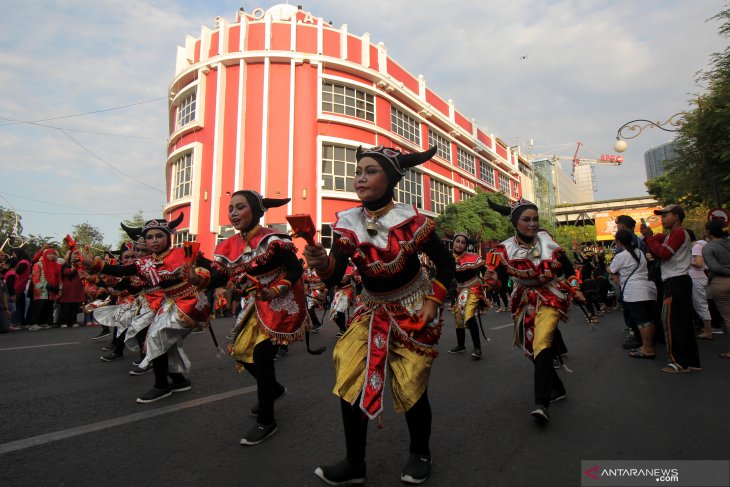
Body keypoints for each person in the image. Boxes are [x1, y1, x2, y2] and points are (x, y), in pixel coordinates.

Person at [304, 145, 454, 485]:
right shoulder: (346, 222)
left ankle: (420, 453)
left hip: (414, 305)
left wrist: (434, 300)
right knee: (350, 376)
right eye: (359, 171)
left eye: (370, 171)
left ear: (391, 179)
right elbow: (332, 275)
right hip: (371, 307)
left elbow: (446, 265)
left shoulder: (413, 220)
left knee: (412, 383)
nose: (360, 177)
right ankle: (355, 464)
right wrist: (320, 261)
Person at [81, 213, 213, 402]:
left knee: (155, 337)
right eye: (149, 237)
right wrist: (93, 264)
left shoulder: (183, 253)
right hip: (167, 304)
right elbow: (121, 271)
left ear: (168, 237)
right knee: (160, 341)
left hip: (188, 302)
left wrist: (203, 277)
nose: (154, 241)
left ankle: (161, 386)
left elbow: (215, 269)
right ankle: (179, 380)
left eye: (159, 236)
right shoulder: (144, 263)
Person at [213, 190, 309, 446]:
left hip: (280, 299)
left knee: (262, 356)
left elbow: (295, 268)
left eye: (240, 207)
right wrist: (197, 279)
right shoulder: (228, 245)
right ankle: (274, 389)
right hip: (254, 303)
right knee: (239, 351)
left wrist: (277, 289)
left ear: (256, 211)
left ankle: (267, 420)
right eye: (230, 208)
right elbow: (219, 277)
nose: (233, 213)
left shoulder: (273, 239)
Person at [489, 198, 584, 423]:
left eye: (535, 219)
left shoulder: (545, 238)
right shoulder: (503, 249)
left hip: (550, 294)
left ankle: (541, 403)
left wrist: (574, 287)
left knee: (542, 343)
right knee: (532, 349)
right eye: (526, 220)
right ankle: (557, 387)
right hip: (523, 299)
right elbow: (499, 281)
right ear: (515, 222)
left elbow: (567, 266)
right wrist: (492, 283)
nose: (532, 224)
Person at [640, 204, 701, 373]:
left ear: (676, 216)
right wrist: (650, 236)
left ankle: (678, 362)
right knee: (683, 322)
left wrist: (649, 237)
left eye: (665, 215)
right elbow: (659, 243)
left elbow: (664, 254)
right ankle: (691, 361)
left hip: (674, 282)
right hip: (680, 281)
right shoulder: (674, 234)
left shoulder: (678, 233)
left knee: (671, 322)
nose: (662, 218)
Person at [610, 229, 657, 358]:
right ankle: (647, 346)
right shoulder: (640, 252)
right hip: (648, 289)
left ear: (618, 242)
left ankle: (647, 349)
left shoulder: (621, 256)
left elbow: (612, 269)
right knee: (648, 320)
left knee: (642, 322)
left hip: (634, 292)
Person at [449, 232, 488, 359]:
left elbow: (485, 270)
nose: (459, 244)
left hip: (474, 288)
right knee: (458, 316)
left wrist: (489, 279)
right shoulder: (448, 258)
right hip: (461, 290)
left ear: (466, 245)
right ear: (453, 242)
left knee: (469, 316)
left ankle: (477, 348)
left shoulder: (473, 257)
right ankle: (461, 345)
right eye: (457, 241)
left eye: (463, 242)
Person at [702, 219, 730, 358]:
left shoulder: (708, 247)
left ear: (709, 231)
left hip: (720, 283)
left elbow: (714, 267)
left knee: (728, 317)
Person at [687, 230, 712, 340]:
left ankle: (708, 331)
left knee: (700, 303)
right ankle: (706, 328)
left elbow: (699, 263)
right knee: (698, 303)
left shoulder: (696, 247)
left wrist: (686, 261)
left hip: (697, 277)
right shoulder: (695, 246)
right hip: (697, 277)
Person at [27, 248, 62, 330]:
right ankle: (34, 323)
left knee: (49, 306)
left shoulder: (57, 265)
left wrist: (59, 289)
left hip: (52, 289)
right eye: (49, 254)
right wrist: (38, 287)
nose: (51, 255)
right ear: (45, 255)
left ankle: (44, 322)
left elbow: (59, 278)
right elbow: (35, 277)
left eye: (53, 254)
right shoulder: (38, 264)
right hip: (42, 289)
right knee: (39, 306)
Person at [56, 250, 85, 328]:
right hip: (68, 288)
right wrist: (74, 268)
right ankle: (63, 322)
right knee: (66, 306)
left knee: (75, 306)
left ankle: (73, 321)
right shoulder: (65, 264)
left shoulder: (81, 264)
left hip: (77, 288)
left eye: (76, 254)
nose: (74, 256)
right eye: (72, 254)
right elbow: (67, 273)